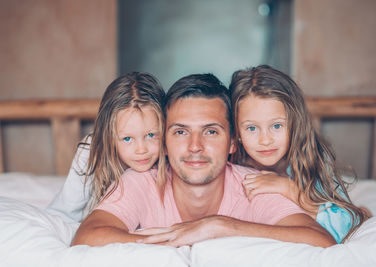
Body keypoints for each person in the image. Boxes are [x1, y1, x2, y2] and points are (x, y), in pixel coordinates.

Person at [72, 73, 336, 248]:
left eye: (210, 131)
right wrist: (167, 243)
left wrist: (219, 226)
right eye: (181, 132)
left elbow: (321, 240)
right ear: (164, 142)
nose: (195, 146)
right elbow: (86, 236)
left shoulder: (255, 185)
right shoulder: (141, 182)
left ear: (233, 142)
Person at [229, 65, 368, 243]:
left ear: (295, 123)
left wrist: (290, 189)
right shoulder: (233, 165)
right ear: (237, 133)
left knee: (358, 215)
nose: (265, 140)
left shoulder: (308, 159)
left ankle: (365, 212)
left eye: (277, 125)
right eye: (252, 128)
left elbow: (344, 225)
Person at [46, 72, 167, 222]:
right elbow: (64, 212)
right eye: (127, 138)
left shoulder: (173, 156)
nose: (141, 150)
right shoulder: (91, 152)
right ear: (108, 136)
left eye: (151, 135)